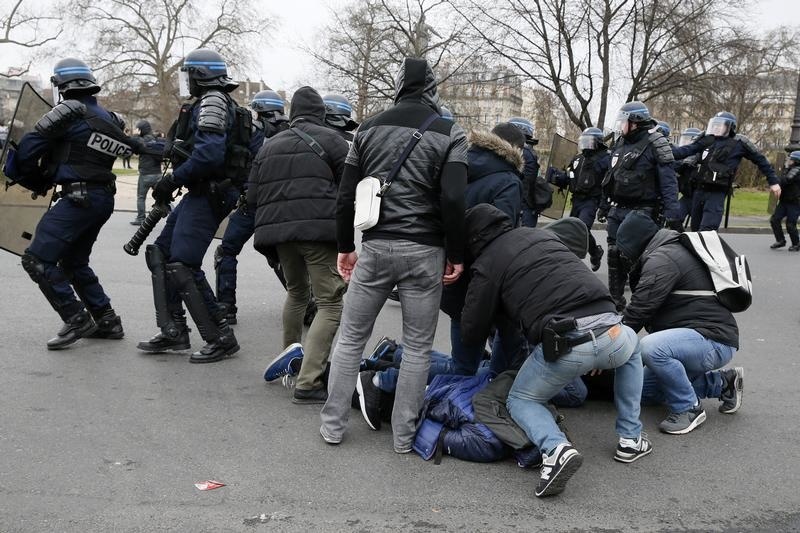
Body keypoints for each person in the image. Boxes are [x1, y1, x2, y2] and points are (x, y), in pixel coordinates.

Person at [319, 57, 468, 452]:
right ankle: (404, 437)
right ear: (432, 89)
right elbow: (454, 197)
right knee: (418, 346)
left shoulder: (367, 128)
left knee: (351, 338)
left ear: (399, 86)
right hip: (426, 251)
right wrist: (456, 251)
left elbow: (346, 195)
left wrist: (345, 246)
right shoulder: (450, 132)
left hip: (377, 246)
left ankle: (332, 426)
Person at [460, 203, 651, 498]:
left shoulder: (488, 262)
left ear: (472, 239)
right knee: (633, 349)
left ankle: (555, 449)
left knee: (522, 399)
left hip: (568, 341)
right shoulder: (542, 236)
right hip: (613, 328)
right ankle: (630, 437)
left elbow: (471, 331)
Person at [136, 48, 251, 363]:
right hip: (202, 190)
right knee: (161, 253)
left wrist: (171, 181)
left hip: (210, 192)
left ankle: (221, 337)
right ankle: (173, 331)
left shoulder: (212, 100)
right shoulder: (212, 102)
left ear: (200, 74)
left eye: (188, 74)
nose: (185, 81)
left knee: (183, 264)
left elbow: (209, 156)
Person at [14, 57, 130, 349]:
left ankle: (76, 317)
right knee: (74, 261)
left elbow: (29, 150)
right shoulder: (108, 118)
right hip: (102, 198)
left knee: (37, 259)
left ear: (61, 87)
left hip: (78, 198)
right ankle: (106, 319)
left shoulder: (67, 114)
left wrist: (32, 176)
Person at [250, 86, 349, 404]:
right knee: (330, 302)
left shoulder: (269, 145)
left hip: (279, 236)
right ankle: (309, 379)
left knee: (296, 292)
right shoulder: (333, 140)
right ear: (321, 114)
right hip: (317, 231)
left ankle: (289, 358)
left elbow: (252, 196)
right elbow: (350, 187)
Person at [617, 211, 742, 434]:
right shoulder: (666, 251)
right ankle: (723, 383)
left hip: (712, 339)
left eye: (624, 249)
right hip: (694, 338)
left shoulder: (662, 259)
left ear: (634, 242)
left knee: (650, 347)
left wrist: (611, 346)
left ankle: (689, 408)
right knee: (641, 391)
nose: (624, 256)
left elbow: (639, 311)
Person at [214, 89, 288, 324]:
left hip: (252, 203)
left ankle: (226, 307)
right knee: (281, 256)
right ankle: (304, 301)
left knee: (226, 252)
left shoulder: (251, 132)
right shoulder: (293, 134)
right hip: (280, 206)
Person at [598, 101, 681, 311]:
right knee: (613, 252)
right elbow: (611, 177)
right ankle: (615, 301)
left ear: (634, 122)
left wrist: (673, 214)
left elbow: (669, 181)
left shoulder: (656, 142)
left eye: (623, 121)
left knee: (629, 255)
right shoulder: (620, 143)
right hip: (618, 207)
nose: (620, 126)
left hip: (642, 209)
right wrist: (604, 206)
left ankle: (645, 301)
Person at [679, 111, 780, 231]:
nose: (716, 127)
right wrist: (664, 152)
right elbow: (686, 150)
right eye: (714, 124)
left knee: (707, 230)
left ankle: (709, 248)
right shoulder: (706, 140)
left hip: (716, 192)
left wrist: (773, 182)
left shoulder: (739, 143)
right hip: (698, 190)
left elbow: (761, 161)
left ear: (729, 127)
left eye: (720, 125)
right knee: (695, 229)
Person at [551, 127, 609, 270]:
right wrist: (556, 177)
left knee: (581, 228)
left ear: (598, 143)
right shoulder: (578, 159)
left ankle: (572, 264)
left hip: (591, 200)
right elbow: (570, 177)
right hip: (576, 199)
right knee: (573, 229)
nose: (586, 145)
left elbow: (608, 184)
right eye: (584, 142)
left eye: (589, 142)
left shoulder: (605, 159)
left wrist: (604, 205)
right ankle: (595, 252)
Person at [508, 117, 543, 227]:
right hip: (525, 204)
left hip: (522, 204)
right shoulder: (528, 150)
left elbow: (526, 181)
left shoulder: (522, 150)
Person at [130, 119, 165, 225]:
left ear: (141, 130)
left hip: (145, 174)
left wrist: (135, 135)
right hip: (158, 173)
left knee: (141, 197)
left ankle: (140, 218)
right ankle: (173, 214)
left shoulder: (141, 141)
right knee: (162, 197)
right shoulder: (156, 139)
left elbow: (132, 145)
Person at [769, 151, 800, 251]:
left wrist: (774, 180)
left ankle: (796, 244)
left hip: (794, 202)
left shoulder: (797, 170)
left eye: (791, 159)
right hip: (785, 200)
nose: (789, 160)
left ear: (796, 161)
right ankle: (781, 241)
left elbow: (786, 180)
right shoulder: (790, 169)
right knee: (774, 220)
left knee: (790, 224)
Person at [674, 127, 702, 224]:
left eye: (688, 140)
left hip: (698, 198)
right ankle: (679, 237)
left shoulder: (701, 159)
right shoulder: (680, 160)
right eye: (684, 140)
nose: (685, 143)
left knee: (699, 226)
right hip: (686, 197)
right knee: (674, 219)